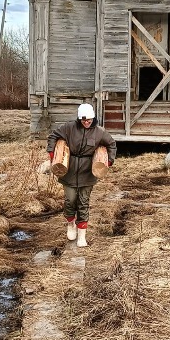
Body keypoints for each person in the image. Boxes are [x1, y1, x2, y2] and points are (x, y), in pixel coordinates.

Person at [43, 103, 117, 248]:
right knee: (70, 201)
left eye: (89, 120)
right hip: (68, 170)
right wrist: (52, 153)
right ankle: (71, 223)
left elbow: (112, 144)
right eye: (83, 120)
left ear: (93, 118)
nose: (86, 122)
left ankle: (82, 235)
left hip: (88, 172)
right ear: (79, 119)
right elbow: (53, 136)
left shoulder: (99, 132)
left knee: (83, 203)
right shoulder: (69, 128)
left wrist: (109, 160)